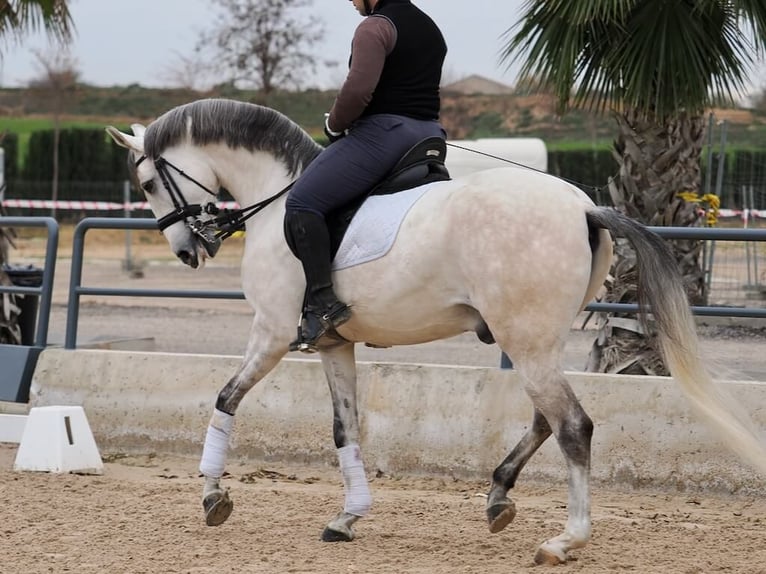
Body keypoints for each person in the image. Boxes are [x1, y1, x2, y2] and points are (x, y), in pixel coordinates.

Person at [284, 0, 447, 353]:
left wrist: (334, 124)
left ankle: (322, 304)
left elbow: (358, 90)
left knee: (302, 201)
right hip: (429, 135)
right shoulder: (430, 27)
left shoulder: (375, 27)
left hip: (385, 134)